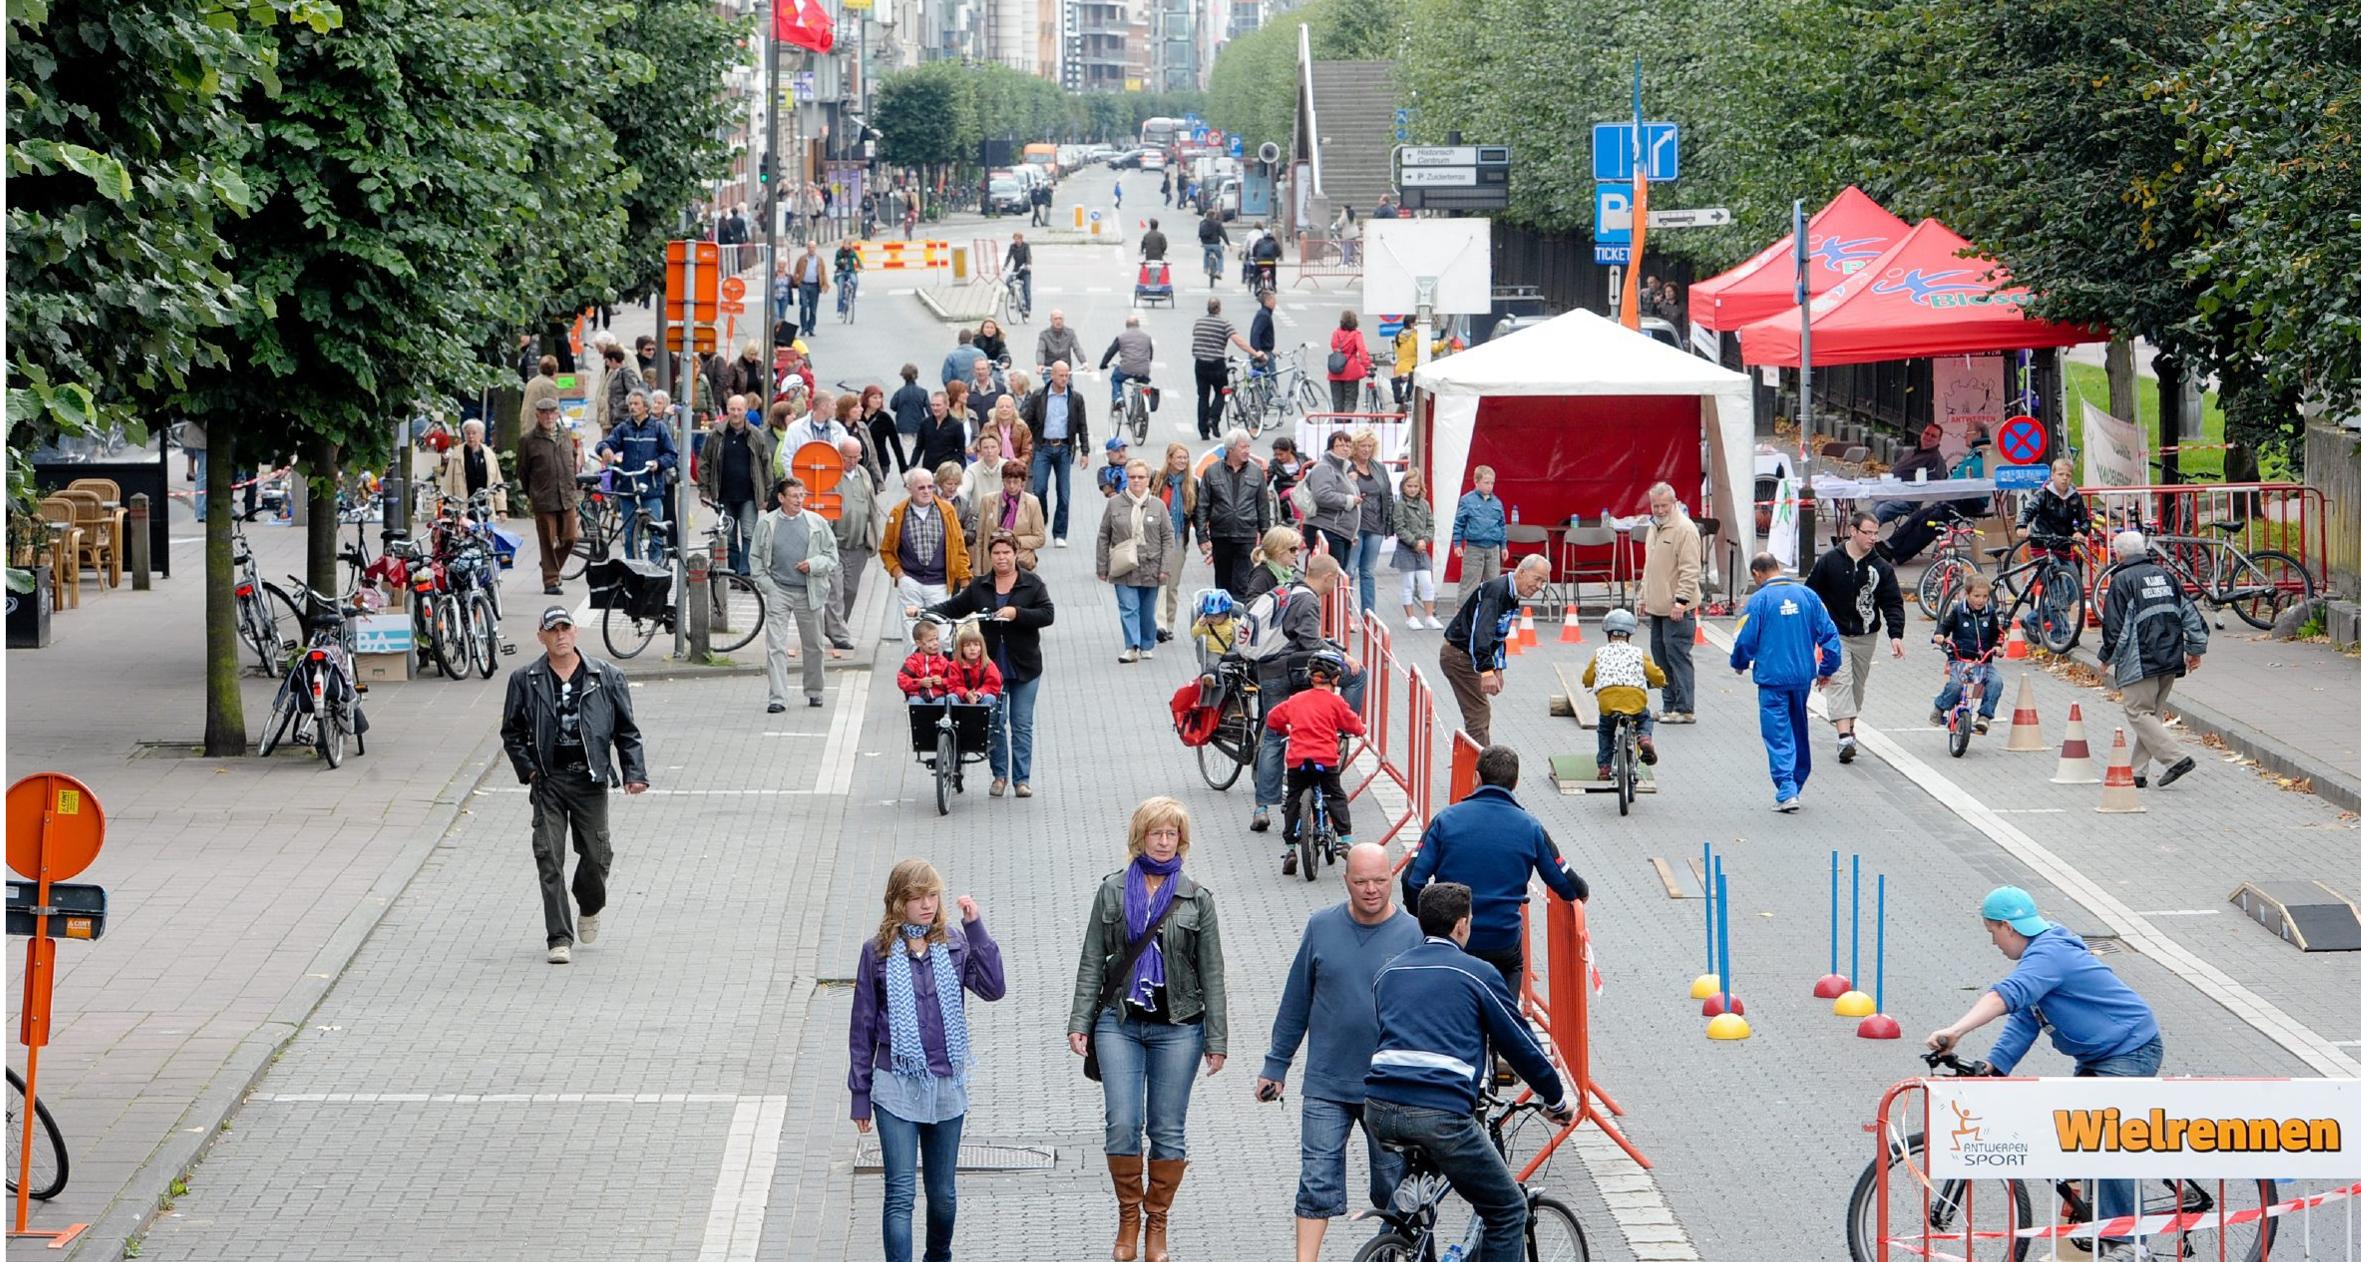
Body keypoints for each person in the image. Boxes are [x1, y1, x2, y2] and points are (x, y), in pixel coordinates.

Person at [1925, 887, 2161, 1257]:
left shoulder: (2050, 953)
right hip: (2098, 1055)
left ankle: (2131, 1244)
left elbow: (2006, 995)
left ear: (2007, 926)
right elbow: (2023, 1021)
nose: (1993, 943)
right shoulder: (2038, 961)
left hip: (2130, 1049)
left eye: (1991, 933)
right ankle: (2089, 1237)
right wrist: (1994, 1067)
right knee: (2074, 1134)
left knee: (2105, 1137)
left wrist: (1956, 1030)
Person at [1364, 881, 1571, 1262]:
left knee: (1413, 1207)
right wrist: (1555, 1098)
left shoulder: (1388, 973)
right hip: (1439, 1112)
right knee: (1507, 1209)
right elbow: (1519, 1044)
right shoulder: (1477, 973)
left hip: (1379, 1110)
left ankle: (1394, 1243)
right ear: (1462, 926)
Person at [1067, 797, 1228, 1262]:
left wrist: (1217, 1040)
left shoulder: (1197, 898)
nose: (1163, 841)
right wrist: (1080, 1021)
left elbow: (1212, 974)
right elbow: (1092, 960)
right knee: (1122, 1124)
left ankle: (1157, 1224)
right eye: (1156, 833)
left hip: (1180, 1028)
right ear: (1139, 837)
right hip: (1119, 1023)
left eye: (1171, 834)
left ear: (1182, 840)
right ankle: (1128, 1217)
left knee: (1167, 1129)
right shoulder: (1112, 891)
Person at [1256, 843, 1422, 1262]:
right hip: (1327, 1082)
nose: (1371, 890)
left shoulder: (1414, 936)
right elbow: (1296, 1001)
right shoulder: (1321, 926)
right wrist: (1276, 1066)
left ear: (1392, 879)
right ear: (1346, 880)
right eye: (1361, 881)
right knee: (1316, 1180)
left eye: (1380, 881)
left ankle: (1393, 1253)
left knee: (1393, 1184)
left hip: (1389, 1088)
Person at [848, 860, 1006, 1262]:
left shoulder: (954, 942)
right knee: (900, 1192)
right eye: (916, 897)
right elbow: (862, 1027)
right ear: (897, 903)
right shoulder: (877, 952)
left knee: (943, 1196)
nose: (926, 905)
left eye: (932, 896)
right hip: (894, 1083)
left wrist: (976, 928)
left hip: (946, 1083)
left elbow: (993, 988)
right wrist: (860, 1095)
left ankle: (939, 1256)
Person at [499, 607, 649, 965]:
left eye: (566, 627)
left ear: (576, 632)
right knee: (549, 857)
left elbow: (626, 729)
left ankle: (589, 903)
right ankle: (559, 938)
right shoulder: (525, 678)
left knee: (598, 857)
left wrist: (634, 772)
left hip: (590, 778)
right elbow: (512, 732)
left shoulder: (606, 676)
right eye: (553, 630)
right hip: (548, 779)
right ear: (541, 636)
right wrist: (530, 771)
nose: (560, 635)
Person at [1402, 744, 1587, 1001]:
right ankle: (1502, 1032)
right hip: (1502, 940)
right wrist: (1581, 893)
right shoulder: (1530, 827)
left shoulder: (1446, 820)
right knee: (1509, 984)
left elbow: (1412, 880)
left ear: (1476, 777)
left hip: (1453, 939)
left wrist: (1430, 923)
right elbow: (1566, 884)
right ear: (1516, 783)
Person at [926, 532, 1055, 796]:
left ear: (1015, 553)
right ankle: (999, 776)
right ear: (990, 556)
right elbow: (954, 607)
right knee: (995, 721)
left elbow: (1047, 614)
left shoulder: (1031, 583)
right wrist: (925, 612)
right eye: (996, 553)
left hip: (1025, 666)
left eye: (1006, 552)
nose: (1002, 557)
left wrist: (1016, 613)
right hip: (989, 668)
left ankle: (1021, 780)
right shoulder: (980, 585)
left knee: (1021, 723)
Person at [1249, 554, 1363, 837]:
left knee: (1274, 736)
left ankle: (1262, 807)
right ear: (1328, 577)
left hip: (1267, 668)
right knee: (1358, 675)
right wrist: (1343, 655)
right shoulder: (1309, 599)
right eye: (1335, 579)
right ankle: (1339, 726)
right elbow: (1311, 643)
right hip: (1292, 669)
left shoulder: (1288, 589)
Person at [1728, 551, 1842, 811]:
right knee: (1798, 728)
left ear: (1757, 574)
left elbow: (1745, 638)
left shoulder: (1758, 601)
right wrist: (1827, 668)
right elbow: (1830, 636)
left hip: (1772, 679)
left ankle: (1787, 788)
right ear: (1777, 567)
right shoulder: (1809, 597)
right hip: (1802, 677)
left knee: (1777, 733)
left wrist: (1739, 662)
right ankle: (1797, 781)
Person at [2098, 530, 2208, 789]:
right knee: (2151, 716)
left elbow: (2116, 627)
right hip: (2170, 655)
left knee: (2137, 711)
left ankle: (2176, 759)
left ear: (2118, 554)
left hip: (2141, 658)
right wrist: (2196, 649)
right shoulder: (2166, 575)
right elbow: (2190, 614)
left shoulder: (2122, 580)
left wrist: (2106, 657)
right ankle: (2137, 772)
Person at [1806, 511, 1908, 765]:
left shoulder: (1880, 567)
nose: (1873, 538)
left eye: (1876, 533)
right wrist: (1810, 630)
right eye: (1868, 533)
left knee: (1856, 688)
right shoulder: (1830, 561)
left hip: (1866, 635)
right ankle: (1843, 737)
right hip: (1835, 634)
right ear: (1853, 531)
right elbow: (1810, 595)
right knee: (1840, 681)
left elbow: (1893, 602)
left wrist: (1896, 635)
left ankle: (1849, 730)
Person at [1267, 648, 1365, 872]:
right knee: (1335, 796)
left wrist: (1284, 729)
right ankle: (1345, 840)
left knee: (1293, 799)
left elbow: (1273, 718)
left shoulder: (1296, 700)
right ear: (1336, 678)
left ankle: (1291, 847)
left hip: (1297, 760)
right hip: (1325, 759)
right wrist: (1361, 729)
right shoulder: (1335, 702)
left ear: (1310, 676)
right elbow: (1352, 724)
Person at [751, 476, 840, 712]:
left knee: (813, 645)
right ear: (781, 498)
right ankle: (778, 698)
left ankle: (814, 691)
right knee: (776, 646)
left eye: (802, 495)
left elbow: (832, 556)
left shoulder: (816, 523)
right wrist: (767, 585)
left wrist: (813, 564)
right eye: (794, 496)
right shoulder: (767, 524)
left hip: (809, 591)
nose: (799, 500)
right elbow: (756, 558)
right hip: (778, 589)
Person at [1440, 554, 1549, 746]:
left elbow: (1498, 634)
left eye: (1543, 582)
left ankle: (1478, 765)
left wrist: (1497, 668)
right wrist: (1486, 670)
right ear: (1522, 572)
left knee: (1479, 713)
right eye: (1537, 579)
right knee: (1478, 714)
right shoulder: (1497, 592)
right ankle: (1481, 769)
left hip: (1465, 654)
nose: (1539, 586)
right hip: (1459, 655)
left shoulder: (1510, 593)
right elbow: (1481, 633)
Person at [1636, 481, 1701, 722]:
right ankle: (1669, 705)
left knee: (1678, 656)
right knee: (1661, 657)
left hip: (1676, 609)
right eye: (1655, 505)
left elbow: (1690, 569)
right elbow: (1649, 567)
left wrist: (1681, 602)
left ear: (1674, 504)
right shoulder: (1655, 528)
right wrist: (1644, 595)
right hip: (1657, 607)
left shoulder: (1685, 529)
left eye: (1664, 505)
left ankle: (1684, 708)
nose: (1659, 510)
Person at [1099, 458, 1175, 663]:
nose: (1136, 481)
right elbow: (1104, 535)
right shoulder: (1115, 503)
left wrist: (1166, 568)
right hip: (1123, 565)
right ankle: (1131, 646)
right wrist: (1102, 566)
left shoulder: (1158, 505)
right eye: (1132, 477)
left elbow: (1168, 537)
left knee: (1146, 610)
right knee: (1128, 607)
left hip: (1151, 566)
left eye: (1141, 477)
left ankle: (1146, 643)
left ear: (1148, 479)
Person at [882, 467, 972, 642]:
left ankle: (939, 670)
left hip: (939, 584)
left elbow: (958, 548)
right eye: (921, 488)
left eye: (930, 487)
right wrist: (900, 575)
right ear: (909, 489)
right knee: (912, 638)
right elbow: (886, 549)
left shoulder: (946, 511)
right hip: (910, 582)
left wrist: (965, 581)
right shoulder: (898, 513)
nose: (927, 491)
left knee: (942, 637)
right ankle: (914, 669)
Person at [695, 400, 777, 574]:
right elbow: (705, 462)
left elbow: (766, 464)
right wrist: (704, 490)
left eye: (740, 409)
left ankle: (745, 573)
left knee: (749, 534)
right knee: (729, 538)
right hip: (724, 494)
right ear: (727, 410)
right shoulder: (716, 435)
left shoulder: (756, 435)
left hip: (749, 495)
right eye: (732, 409)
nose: (736, 413)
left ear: (746, 410)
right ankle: (732, 573)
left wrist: (767, 494)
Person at [596, 390, 679, 560]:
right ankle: (634, 569)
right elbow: (605, 443)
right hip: (628, 489)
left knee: (656, 533)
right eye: (630, 404)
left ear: (646, 407)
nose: (632, 407)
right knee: (630, 534)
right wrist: (605, 449)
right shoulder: (624, 428)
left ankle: (655, 567)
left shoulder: (658, 428)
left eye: (636, 404)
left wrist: (658, 463)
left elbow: (671, 454)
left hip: (651, 488)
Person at [1583, 609, 1664, 780]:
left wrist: (1588, 683)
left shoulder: (1600, 653)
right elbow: (1654, 674)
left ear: (1608, 633)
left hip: (1608, 700)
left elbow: (1588, 676)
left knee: (1605, 730)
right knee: (1644, 718)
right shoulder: (1638, 653)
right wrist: (1661, 682)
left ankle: (1604, 767)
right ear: (1629, 635)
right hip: (1634, 697)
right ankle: (1644, 739)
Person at [1022, 359, 1091, 547]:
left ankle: (1060, 533)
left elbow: (1082, 425)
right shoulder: (1039, 396)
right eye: (1060, 375)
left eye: (1067, 375)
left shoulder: (1075, 398)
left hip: (1063, 449)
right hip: (1043, 447)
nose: (1064, 378)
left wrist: (1085, 451)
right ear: (1052, 375)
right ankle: (1041, 520)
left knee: (1063, 492)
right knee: (1039, 489)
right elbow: (1026, 421)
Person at [516, 398, 581, 595]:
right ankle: (551, 581)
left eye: (552, 412)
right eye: (544, 413)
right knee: (547, 539)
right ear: (537, 415)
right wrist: (533, 493)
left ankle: (549, 564)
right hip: (543, 498)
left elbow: (574, 459)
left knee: (570, 538)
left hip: (567, 496)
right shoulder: (528, 440)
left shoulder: (565, 435)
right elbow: (522, 471)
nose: (548, 416)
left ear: (558, 414)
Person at [1194, 429, 1268, 599]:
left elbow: (1263, 506)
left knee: (1243, 583)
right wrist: (1202, 537)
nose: (1248, 451)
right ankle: (1223, 621)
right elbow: (1203, 505)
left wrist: (1266, 536)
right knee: (1223, 583)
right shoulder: (1212, 471)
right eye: (1243, 447)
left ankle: (1239, 620)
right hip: (1221, 536)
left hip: (1246, 535)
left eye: (1248, 446)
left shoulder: (1256, 472)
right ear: (1230, 449)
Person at [827, 436, 885, 651]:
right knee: (835, 590)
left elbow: (871, 505)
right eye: (847, 457)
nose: (852, 461)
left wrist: (874, 534)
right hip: (834, 544)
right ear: (839, 455)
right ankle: (839, 634)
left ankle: (836, 625)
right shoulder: (831, 475)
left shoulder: (863, 474)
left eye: (856, 456)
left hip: (858, 544)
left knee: (850, 590)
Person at [1930, 574, 2005, 732]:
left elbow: (1997, 634)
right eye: (1976, 596)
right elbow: (1944, 626)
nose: (1981, 600)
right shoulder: (1958, 611)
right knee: (1955, 685)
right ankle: (1940, 707)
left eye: (1985, 596)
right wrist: (1939, 635)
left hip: (1982, 661)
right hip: (1960, 659)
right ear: (1967, 594)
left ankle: (1984, 716)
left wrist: (1998, 646)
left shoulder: (1990, 613)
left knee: (1996, 681)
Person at [1189, 298, 1259, 441]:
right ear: (1219, 308)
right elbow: (1238, 340)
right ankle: (1213, 419)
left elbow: (1195, 335)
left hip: (1200, 364)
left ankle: (1203, 431)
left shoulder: (1199, 322)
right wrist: (1254, 353)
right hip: (1217, 364)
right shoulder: (1224, 323)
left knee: (1202, 397)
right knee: (1222, 392)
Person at [1146, 443, 1197, 639]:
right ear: (1169, 458)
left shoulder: (1192, 483)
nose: (1183, 461)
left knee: (1171, 583)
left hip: (1177, 539)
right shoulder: (1157, 480)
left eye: (1185, 457)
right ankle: (1152, 622)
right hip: (1155, 538)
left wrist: (1202, 539)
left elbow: (1196, 514)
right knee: (1153, 582)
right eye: (1179, 457)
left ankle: (1168, 625)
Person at [1345, 430, 1391, 621]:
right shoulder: (1348, 467)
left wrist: (1389, 524)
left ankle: (1368, 613)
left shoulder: (1379, 468)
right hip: (1355, 525)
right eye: (1362, 445)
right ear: (1355, 447)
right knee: (1350, 570)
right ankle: (1346, 613)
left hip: (1376, 525)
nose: (1366, 449)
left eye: (1369, 446)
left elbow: (1387, 495)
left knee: (1368, 571)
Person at [970, 462, 1047, 569]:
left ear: (1023, 483)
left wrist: (1012, 540)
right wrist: (978, 571)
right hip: (992, 565)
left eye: (1016, 482)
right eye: (1008, 481)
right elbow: (980, 539)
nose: (1011, 486)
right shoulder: (987, 500)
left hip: (1020, 564)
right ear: (1002, 481)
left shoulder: (1032, 503)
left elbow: (1040, 538)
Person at [1300, 430, 1361, 562]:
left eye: (1349, 446)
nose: (1346, 449)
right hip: (1327, 529)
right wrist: (1348, 500)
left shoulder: (1342, 469)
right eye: (1341, 445)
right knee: (1331, 574)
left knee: (1338, 574)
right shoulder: (1324, 468)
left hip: (1340, 532)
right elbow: (1322, 495)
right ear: (1331, 448)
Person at [1390, 467, 1439, 628]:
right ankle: (1410, 617)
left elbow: (1431, 525)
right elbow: (1399, 527)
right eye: (1409, 486)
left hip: (1422, 549)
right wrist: (1414, 542)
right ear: (1403, 486)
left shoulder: (1425, 504)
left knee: (1427, 582)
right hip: (1406, 549)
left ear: (1420, 487)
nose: (1412, 489)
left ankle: (1429, 616)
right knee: (1408, 584)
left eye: (1415, 486)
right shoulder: (1400, 505)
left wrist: (1425, 540)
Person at [2016, 463, 2093, 564]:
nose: (2064, 478)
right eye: (2060, 474)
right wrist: (2021, 525)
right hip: (2043, 543)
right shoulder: (2043, 494)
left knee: (2073, 574)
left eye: (2068, 475)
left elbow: (2085, 519)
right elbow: (2029, 510)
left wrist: (2081, 531)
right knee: (2053, 569)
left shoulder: (2075, 496)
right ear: (2052, 476)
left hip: (2064, 544)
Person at [1874, 427, 1951, 524]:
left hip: (1909, 498)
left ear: (1939, 440)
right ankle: (1863, 533)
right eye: (1927, 433)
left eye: (1933, 436)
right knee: (1872, 508)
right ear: (1922, 434)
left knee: (1881, 510)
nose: (1928, 437)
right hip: (1891, 490)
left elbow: (1935, 485)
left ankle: (1868, 533)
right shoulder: (1910, 452)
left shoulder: (1936, 460)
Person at [1452, 466, 1508, 590]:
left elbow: (1502, 525)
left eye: (1492, 483)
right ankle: (1462, 608)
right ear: (1476, 482)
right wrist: (1457, 544)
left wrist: (1504, 546)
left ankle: (1490, 609)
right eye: (1486, 483)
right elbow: (1459, 523)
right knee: (1469, 583)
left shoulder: (1497, 503)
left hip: (1493, 548)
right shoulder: (1467, 500)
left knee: (1493, 584)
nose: (1490, 486)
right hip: (1474, 547)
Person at [1099, 313, 1155, 408]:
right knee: (1144, 384)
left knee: (1115, 378)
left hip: (1126, 368)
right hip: (1143, 370)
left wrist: (1103, 364)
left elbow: (1110, 352)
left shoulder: (1121, 337)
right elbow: (1150, 355)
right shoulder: (1147, 337)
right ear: (1138, 325)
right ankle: (1144, 407)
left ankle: (1118, 397)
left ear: (1126, 325)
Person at [1244, 525, 1304, 604]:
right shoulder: (1262, 576)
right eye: (1293, 549)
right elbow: (1251, 604)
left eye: (1298, 549)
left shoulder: (1287, 572)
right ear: (1278, 550)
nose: (1297, 553)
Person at [1326, 311, 1372, 413]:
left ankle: (1338, 425)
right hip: (1351, 372)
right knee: (1350, 401)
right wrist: (1367, 365)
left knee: (1337, 403)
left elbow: (1334, 347)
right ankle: (1346, 422)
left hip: (1335, 370)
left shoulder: (1336, 333)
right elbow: (1362, 351)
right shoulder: (1356, 334)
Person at [914, 389, 967, 474]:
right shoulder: (925, 423)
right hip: (929, 469)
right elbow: (919, 447)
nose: (935, 408)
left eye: (938, 405)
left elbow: (961, 451)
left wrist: (955, 466)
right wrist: (912, 466)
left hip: (946, 472)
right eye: (933, 405)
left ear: (947, 405)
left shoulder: (956, 425)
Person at [860, 384, 907, 476]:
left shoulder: (884, 418)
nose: (878, 400)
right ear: (866, 399)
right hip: (861, 461)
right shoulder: (859, 416)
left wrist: (903, 469)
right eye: (875, 398)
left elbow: (896, 444)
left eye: (880, 398)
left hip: (880, 463)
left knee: (875, 489)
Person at [791, 240, 830, 336]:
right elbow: (796, 271)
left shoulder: (819, 260)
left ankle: (811, 327)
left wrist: (825, 284)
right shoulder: (802, 259)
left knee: (813, 308)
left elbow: (823, 273)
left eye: (813, 247)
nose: (811, 249)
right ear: (807, 248)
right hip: (803, 284)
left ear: (815, 248)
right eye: (809, 247)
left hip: (815, 285)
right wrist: (797, 281)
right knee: (804, 306)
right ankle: (804, 327)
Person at [891, 364, 932, 452]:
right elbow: (929, 409)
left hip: (904, 424)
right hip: (919, 423)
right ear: (916, 376)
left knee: (907, 448)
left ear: (903, 377)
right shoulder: (922, 392)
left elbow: (892, 406)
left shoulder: (899, 392)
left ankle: (909, 465)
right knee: (920, 447)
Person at [1267, 437, 1304, 523]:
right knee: (1294, 492)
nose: (1278, 457)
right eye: (1276, 455)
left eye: (1281, 454)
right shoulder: (1274, 464)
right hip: (1285, 490)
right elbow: (1267, 479)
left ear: (1289, 450)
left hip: (1303, 487)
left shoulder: (1302, 458)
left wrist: (1303, 476)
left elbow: (1314, 469)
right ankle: (1298, 520)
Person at [1037, 311, 1085, 375]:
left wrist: (1084, 362)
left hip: (1065, 370)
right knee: (1050, 383)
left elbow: (1077, 348)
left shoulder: (1070, 333)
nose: (1058, 321)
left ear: (1063, 320)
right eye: (1055, 319)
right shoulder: (1044, 334)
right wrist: (1040, 364)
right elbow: (1040, 351)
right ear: (1051, 320)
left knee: (1068, 384)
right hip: (1050, 370)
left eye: (1060, 318)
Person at [1196, 209, 1230, 285]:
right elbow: (1223, 234)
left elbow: (1200, 234)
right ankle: (1219, 271)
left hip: (1206, 244)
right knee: (1220, 257)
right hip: (1215, 244)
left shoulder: (1202, 223)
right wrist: (1228, 244)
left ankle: (1205, 268)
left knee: (1206, 254)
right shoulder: (1217, 224)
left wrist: (1202, 243)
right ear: (1214, 215)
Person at [1246, 222, 1282, 292]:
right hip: (1271, 262)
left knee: (1256, 273)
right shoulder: (1274, 242)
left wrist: (1254, 256)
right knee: (1273, 273)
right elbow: (1279, 252)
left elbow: (1254, 249)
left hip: (1260, 262)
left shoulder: (1259, 241)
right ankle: (1274, 285)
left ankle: (1256, 286)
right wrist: (1275, 256)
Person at [833, 236, 863, 318]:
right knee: (840, 291)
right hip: (841, 272)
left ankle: (853, 298)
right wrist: (840, 261)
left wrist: (861, 267)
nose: (846, 246)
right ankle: (839, 310)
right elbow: (835, 262)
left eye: (848, 245)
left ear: (850, 245)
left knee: (855, 281)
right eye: (845, 244)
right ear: (843, 245)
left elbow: (858, 259)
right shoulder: (839, 252)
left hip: (850, 271)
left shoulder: (852, 252)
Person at [1003, 234, 1033, 314]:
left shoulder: (1026, 246)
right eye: (1015, 239)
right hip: (1016, 270)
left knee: (1027, 290)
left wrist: (1028, 264)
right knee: (1008, 281)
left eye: (1018, 239)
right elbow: (1008, 256)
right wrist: (1005, 266)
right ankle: (1014, 294)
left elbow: (1028, 256)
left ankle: (1027, 309)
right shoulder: (1012, 246)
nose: (1016, 241)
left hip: (1025, 271)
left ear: (1021, 239)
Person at [1097, 434, 1131, 498]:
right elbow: (1108, 491)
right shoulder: (1104, 471)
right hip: (1122, 502)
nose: (1121, 454)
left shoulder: (1135, 464)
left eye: (1123, 450)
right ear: (1108, 455)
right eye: (1117, 451)